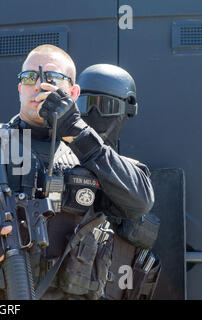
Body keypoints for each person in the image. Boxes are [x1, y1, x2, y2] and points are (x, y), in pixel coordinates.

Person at [0, 44, 155, 300]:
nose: (39, 86)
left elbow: (139, 202)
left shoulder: (90, 152)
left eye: (52, 78)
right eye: (30, 77)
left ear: (73, 92)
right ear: (20, 88)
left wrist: (78, 132)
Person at [77, 64, 161, 300]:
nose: (94, 114)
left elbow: (140, 201)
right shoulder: (56, 162)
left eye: (106, 106)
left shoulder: (132, 174)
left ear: (128, 109)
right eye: (85, 104)